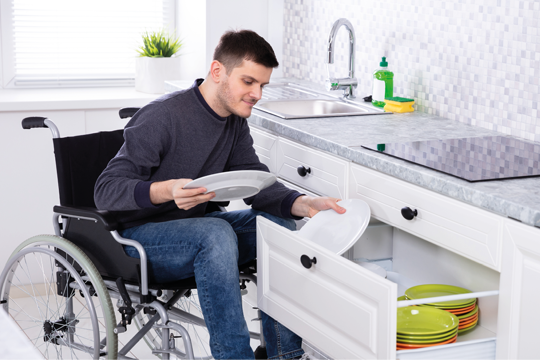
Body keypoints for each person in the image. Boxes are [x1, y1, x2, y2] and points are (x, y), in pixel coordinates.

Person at [94, 29, 345, 360]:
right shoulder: (164, 116)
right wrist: (167, 190)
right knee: (215, 232)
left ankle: (284, 355)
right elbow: (105, 191)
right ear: (218, 72)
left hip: (196, 227)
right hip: (138, 240)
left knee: (277, 226)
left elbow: (257, 183)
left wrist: (303, 204)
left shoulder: (234, 121)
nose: (256, 94)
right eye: (248, 82)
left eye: (262, 85)